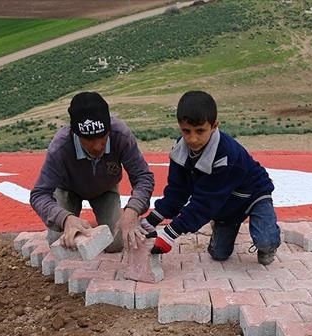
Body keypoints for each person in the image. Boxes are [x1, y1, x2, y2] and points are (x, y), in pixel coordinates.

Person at [142, 90, 280, 265]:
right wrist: (152, 220)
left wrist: (170, 234)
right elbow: (178, 190)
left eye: (200, 131)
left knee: (265, 240)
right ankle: (223, 224)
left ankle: (268, 241)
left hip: (252, 195)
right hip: (224, 202)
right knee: (219, 254)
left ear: (214, 126)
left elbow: (204, 202)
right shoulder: (179, 150)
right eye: (186, 131)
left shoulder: (226, 155)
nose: (193, 139)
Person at [30, 91, 154, 252]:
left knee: (117, 242)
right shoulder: (60, 146)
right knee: (61, 241)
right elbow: (39, 195)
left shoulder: (121, 135)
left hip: (105, 189)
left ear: (109, 128)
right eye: (88, 140)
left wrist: (133, 210)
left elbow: (143, 177)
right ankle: (79, 222)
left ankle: (97, 224)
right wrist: (65, 218)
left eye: (102, 137)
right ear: (75, 134)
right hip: (68, 189)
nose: (97, 146)